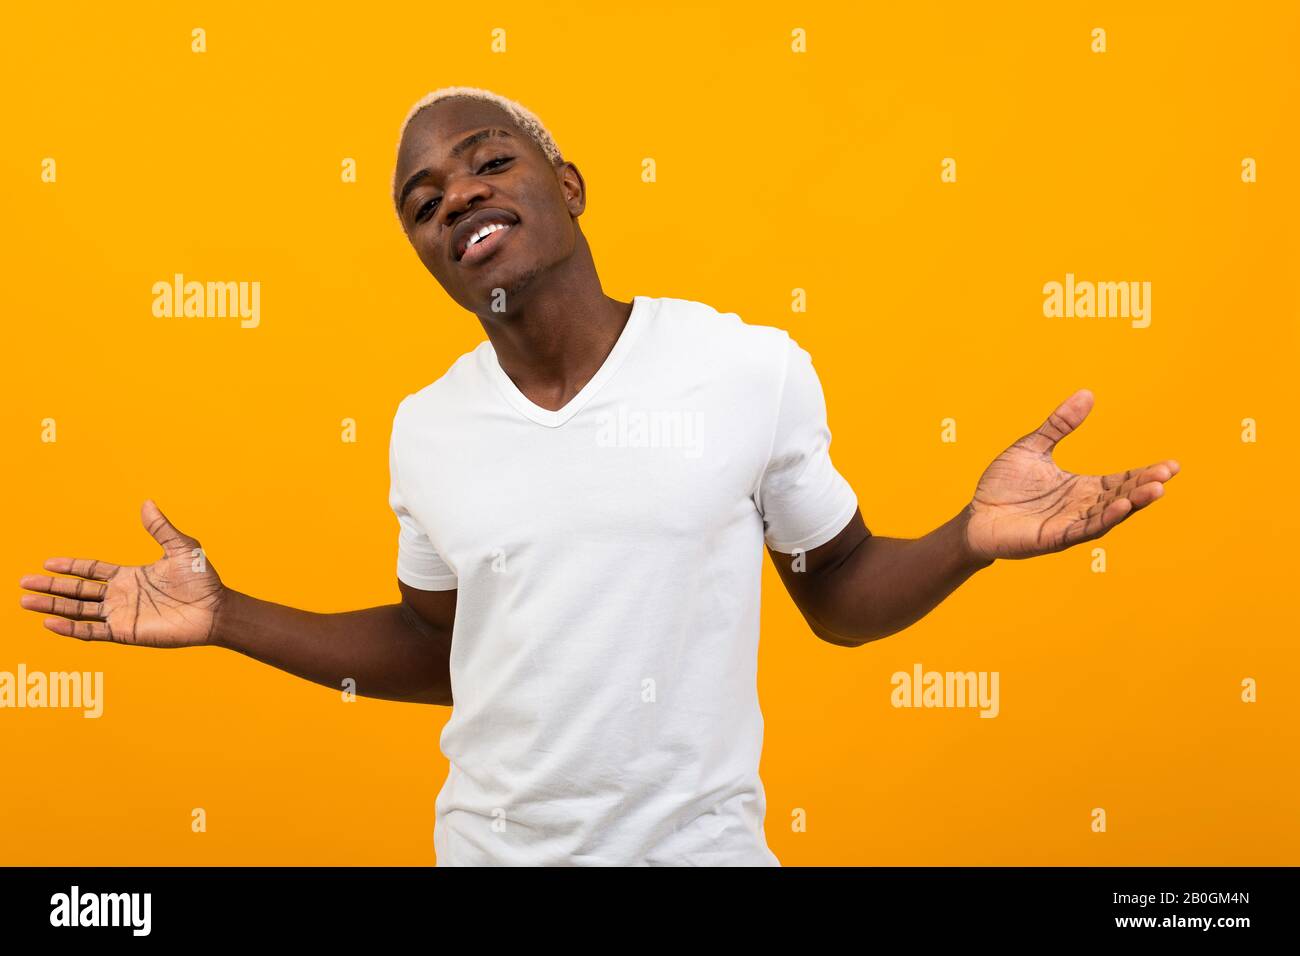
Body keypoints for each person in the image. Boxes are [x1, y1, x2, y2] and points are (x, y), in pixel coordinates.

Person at [18, 86, 1180, 866]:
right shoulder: (427, 428)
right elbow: (442, 648)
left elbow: (839, 592)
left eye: (488, 162)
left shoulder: (744, 365)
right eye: (423, 202)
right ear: (426, 253)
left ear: (566, 185)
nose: (457, 195)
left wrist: (966, 537)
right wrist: (229, 616)